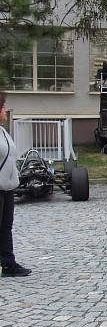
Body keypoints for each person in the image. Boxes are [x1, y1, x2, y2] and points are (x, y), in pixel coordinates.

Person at [0, 94, 31, 278]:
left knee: (5, 227)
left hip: (7, 188)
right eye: (3, 106)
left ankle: (8, 263)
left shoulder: (3, 132)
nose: (5, 110)